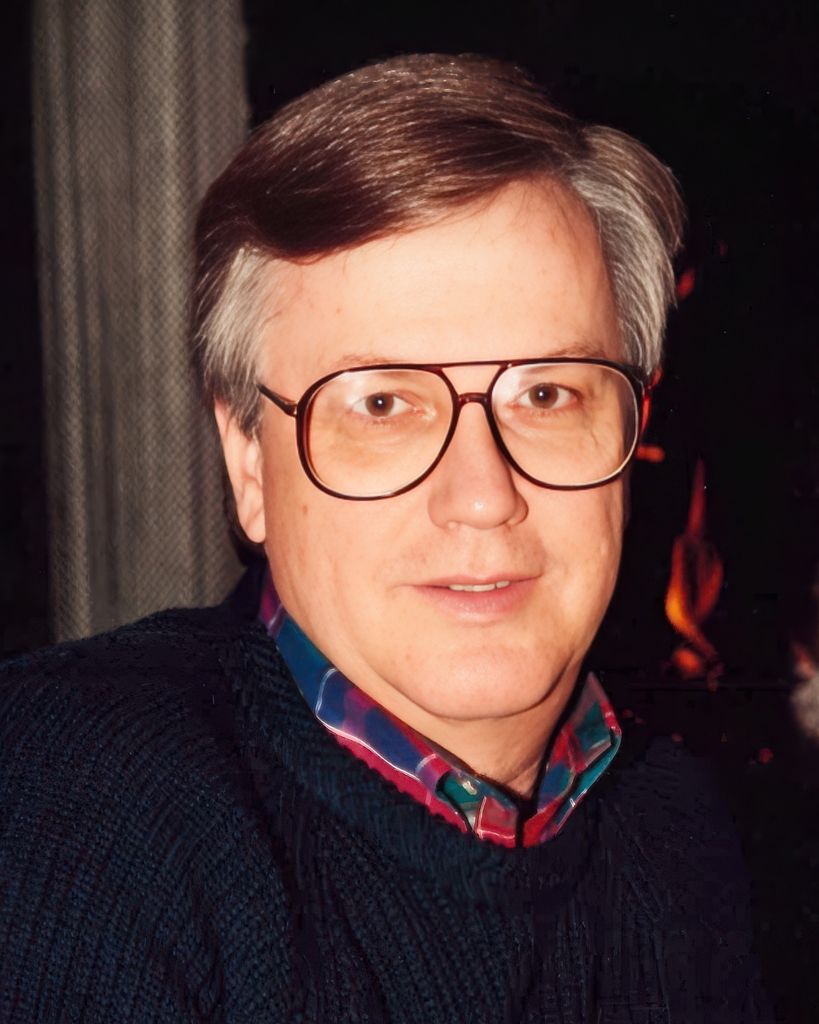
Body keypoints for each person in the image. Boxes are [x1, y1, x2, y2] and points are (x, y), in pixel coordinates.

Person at [0, 53, 771, 1022]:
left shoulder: (682, 835)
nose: (482, 497)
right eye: (381, 404)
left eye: (545, 394)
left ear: (631, 430)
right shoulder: (68, 804)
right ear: (250, 462)